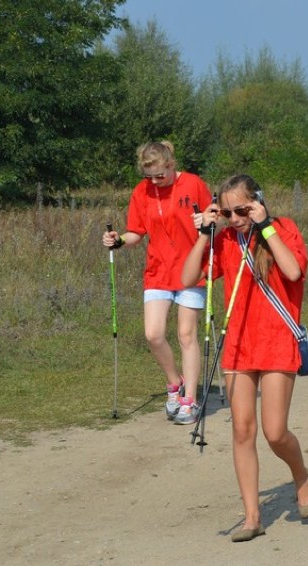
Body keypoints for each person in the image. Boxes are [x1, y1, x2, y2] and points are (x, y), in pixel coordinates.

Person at [181, 174, 308, 543]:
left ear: (258, 202)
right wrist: (205, 234)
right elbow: (188, 276)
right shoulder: (223, 239)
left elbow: (293, 271)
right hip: (238, 346)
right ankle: (252, 517)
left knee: (275, 432)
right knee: (242, 431)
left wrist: (265, 226)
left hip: (276, 342)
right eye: (227, 212)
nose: (235, 218)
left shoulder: (282, 229)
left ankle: (301, 475)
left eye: (242, 209)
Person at [102, 141, 211, 425]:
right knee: (153, 334)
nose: (154, 181)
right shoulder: (142, 192)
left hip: (190, 271)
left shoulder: (194, 184)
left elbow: (215, 217)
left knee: (186, 335)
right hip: (158, 271)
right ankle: (174, 383)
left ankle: (190, 399)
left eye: (160, 175)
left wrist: (207, 220)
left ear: (171, 165)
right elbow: (136, 232)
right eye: (148, 176)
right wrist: (119, 240)